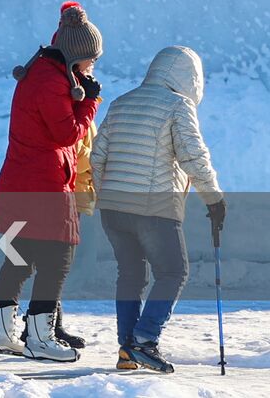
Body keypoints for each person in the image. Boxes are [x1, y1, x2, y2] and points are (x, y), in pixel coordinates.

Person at [91, 45, 224, 374]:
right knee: (173, 272)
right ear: (191, 78)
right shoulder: (177, 105)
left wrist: (102, 194)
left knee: (131, 275)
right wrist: (214, 199)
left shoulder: (121, 103)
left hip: (114, 210)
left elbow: (97, 155)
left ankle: (127, 348)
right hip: (152, 206)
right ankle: (145, 340)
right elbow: (193, 156)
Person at [0, 2, 103, 362]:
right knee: (58, 257)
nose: (93, 66)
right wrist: (90, 102)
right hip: (44, 184)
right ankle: (39, 338)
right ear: (75, 56)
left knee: (20, 259)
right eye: (91, 60)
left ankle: (1, 335)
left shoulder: (44, 74)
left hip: (21, 180)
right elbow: (67, 133)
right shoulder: (52, 83)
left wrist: (78, 89)